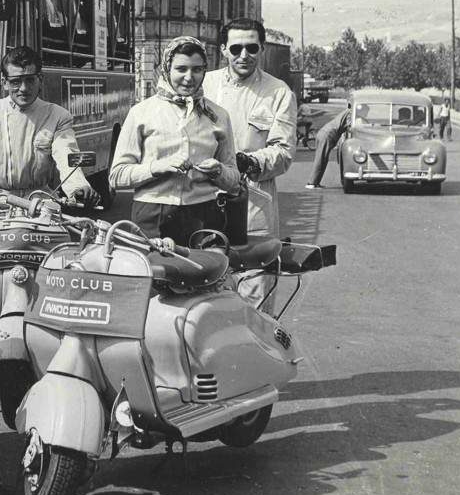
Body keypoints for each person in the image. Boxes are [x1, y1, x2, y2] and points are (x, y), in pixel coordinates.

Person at [203, 19, 297, 314]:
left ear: (262, 49)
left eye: (252, 47)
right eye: (236, 48)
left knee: (256, 301)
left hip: (254, 207)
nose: (244, 55)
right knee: (205, 297)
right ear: (223, 50)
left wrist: (249, 161)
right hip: (203, 203)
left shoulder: (279, 92)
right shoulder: (204, 85)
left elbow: (284, 152)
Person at [109, 37, 240, 243]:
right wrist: (157, 167)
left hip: (204, 216)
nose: (189, 78)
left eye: (197, 70)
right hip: (151, 217)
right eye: (181, 69)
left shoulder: (218, 115)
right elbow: (116, 176)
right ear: (166, 69)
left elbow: (234, 182)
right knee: (153, 274)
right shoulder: (141, 113)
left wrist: (219, 171)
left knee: (203, 273)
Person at [0, 46, 100, 206]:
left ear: (40, 79)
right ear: (4, 82)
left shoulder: (57, 116)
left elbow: (66, 154)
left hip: (41, 204)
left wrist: (78, 187)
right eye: (15, 82)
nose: (24, 88)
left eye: (29, 80)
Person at [305, 108, 351, 189]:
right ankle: (311, 183)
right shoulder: (350, 113)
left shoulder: (347, 112)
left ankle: (315, 182)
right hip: (327, 134)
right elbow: (351, 127)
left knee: (322, 159)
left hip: (325, 133)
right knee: (321, 159)